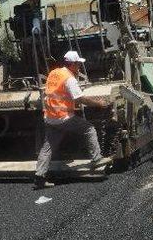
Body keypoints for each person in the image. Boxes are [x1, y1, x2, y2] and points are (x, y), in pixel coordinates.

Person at [34, 51, 113, 190]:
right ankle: (96, 159)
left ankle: (39, 178)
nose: (80, 67)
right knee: (89, 129)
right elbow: (79, 98)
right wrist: (98, 103)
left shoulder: (54, 73)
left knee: (47, 148)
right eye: (78, 64)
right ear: (73, 64)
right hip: (63, 117)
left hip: (50, 117)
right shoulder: (69, 78)